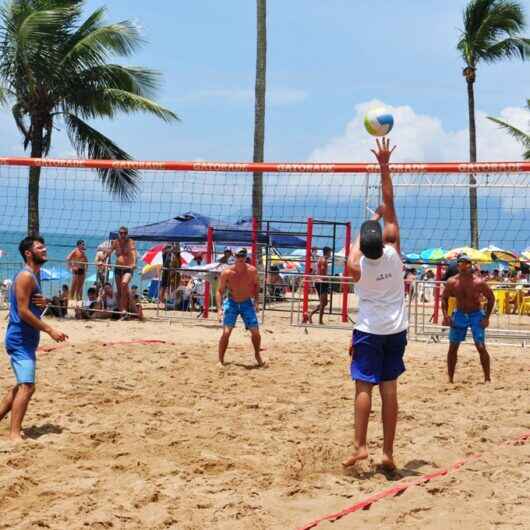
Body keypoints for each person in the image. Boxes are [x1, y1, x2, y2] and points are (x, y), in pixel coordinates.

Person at [343, 138, 407, 471]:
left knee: (363, 388)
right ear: (383, 241)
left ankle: (360, 446)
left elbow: (351, 253)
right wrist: (384, 166)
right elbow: (390, 200)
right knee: (390, 391)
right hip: (396, 331)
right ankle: (388, 453)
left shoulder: (357, 268)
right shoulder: (394, 253)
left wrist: (363, 228)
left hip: (369, 331)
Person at [0, 236, 67, 442]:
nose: (44, 249)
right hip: (19, 339)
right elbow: (22, 312)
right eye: (39, 247)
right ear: (29, 253)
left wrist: (42, 302)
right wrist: (50, 329)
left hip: (26, 339)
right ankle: (13, 434)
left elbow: (27, 305)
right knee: (27, 386)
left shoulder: (33, 276)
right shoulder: (25, 276)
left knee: (25, 385)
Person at [441, 254, 495, 383]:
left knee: (480, 346)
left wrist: (486, 317)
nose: (460, 265)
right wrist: (446, 316)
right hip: (460, 314)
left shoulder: (478, 282)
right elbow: (444, 298)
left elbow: (491, 298)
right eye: (459, 262)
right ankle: (450, 379)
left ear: (469, 265)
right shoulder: (452, 282)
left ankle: (487, 378)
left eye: (463, 262)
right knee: (453, 347)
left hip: (476, 314)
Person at [216, 248, 263, 367]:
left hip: (246, 303)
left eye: (242, 256)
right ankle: (220, 360)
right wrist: (219, 309)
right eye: (238, 256)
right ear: (235, 257)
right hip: (232, 303)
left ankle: (257, 354)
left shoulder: (252, 271)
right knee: (226, 333)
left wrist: (257, 302)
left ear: (245, 257)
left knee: (256, 333)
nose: (240, 258)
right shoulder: (227, 272)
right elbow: (219, 291)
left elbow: (257, 286)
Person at [109, 226, 136, 317]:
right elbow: (109, 251)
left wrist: (134, 263)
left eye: (125, 233)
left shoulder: (130, 242)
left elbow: (133, 253)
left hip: (128, 268)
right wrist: (102, 260)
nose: (123, 235)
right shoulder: (115, 242)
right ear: (118, 234)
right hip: (118, 268)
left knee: (124, 284)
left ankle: (124, 308)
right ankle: (122, 311)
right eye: (121, 233)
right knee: (120, 291)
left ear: (127, 234)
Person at [309, 247, 332, 324]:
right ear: (328, 252)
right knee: (323, 302)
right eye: (330, 252)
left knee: (324, 302)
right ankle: (319, 320)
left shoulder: (322, 259)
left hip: (320, 282)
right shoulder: (323, 260)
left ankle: (312, 315)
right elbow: (322, 271)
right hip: (321, 282)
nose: (330, 254)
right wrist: (326, 278)